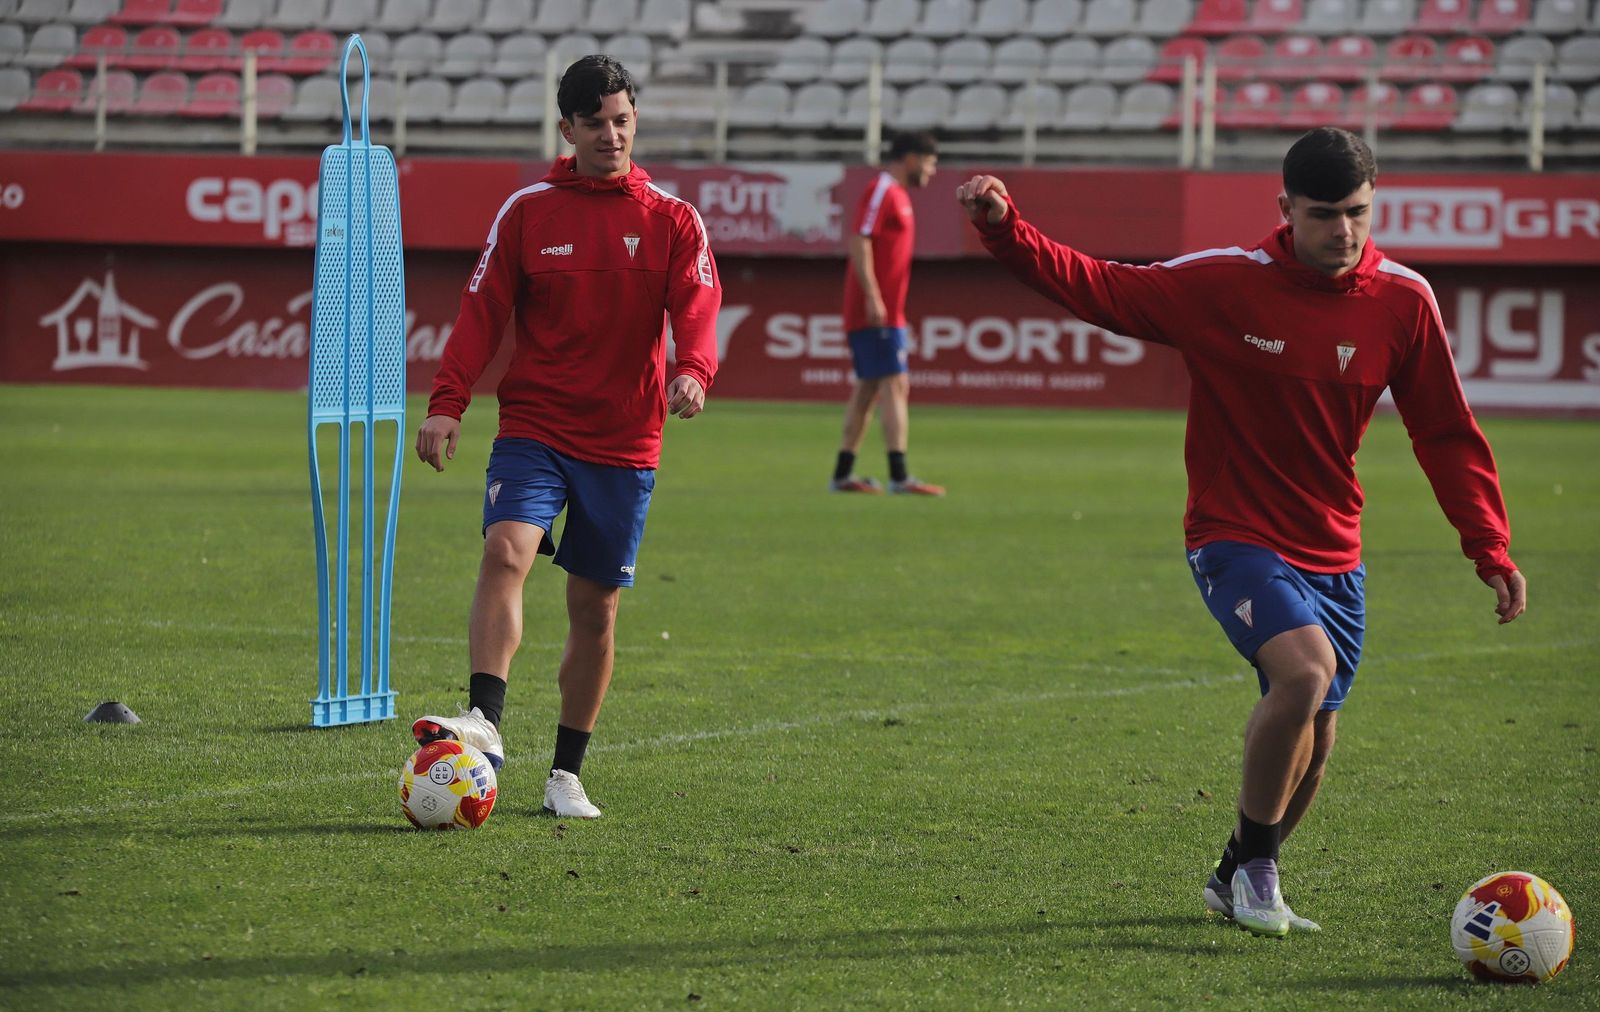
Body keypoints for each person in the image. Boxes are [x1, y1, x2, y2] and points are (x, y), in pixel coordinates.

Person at [956, 127, 1527, 936]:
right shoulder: (1222, 284)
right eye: (1325, 214)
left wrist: (1489, 544)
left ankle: (1234, 873)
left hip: (1335, 548)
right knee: (1303, 675)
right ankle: (1261, 876)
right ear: (1285, 208)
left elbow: (1445, 431)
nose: (1344, 231)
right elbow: (1099, 287)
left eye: (1358, 213)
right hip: (1232, 531)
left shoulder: (1405, 300)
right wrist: (1003, 228)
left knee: (1319, 741)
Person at [412, 55, 720, 820]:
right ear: (568, 130)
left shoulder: (672, 218)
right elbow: (480, 308)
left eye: (622, 121)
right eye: (595, 124)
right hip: (536, 426)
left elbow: (699, 301)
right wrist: (446, 403)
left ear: (634, 121)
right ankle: (484, 718)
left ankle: (565, 777)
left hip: (623, 441)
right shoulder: (528, 211)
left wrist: (696, 370)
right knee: (505, 548)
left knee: (595, 611)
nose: (611, 136)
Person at [829, 131, 945, 496]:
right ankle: (899, 476)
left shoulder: (898, 195)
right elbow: (859, 240)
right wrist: (875, 297)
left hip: (884, 311)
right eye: (930, 162)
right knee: (895, 384)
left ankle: (843, 475)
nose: (932, 171)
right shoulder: (882, 191)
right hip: (874, 311)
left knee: (868, 390)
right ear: (910, 159)